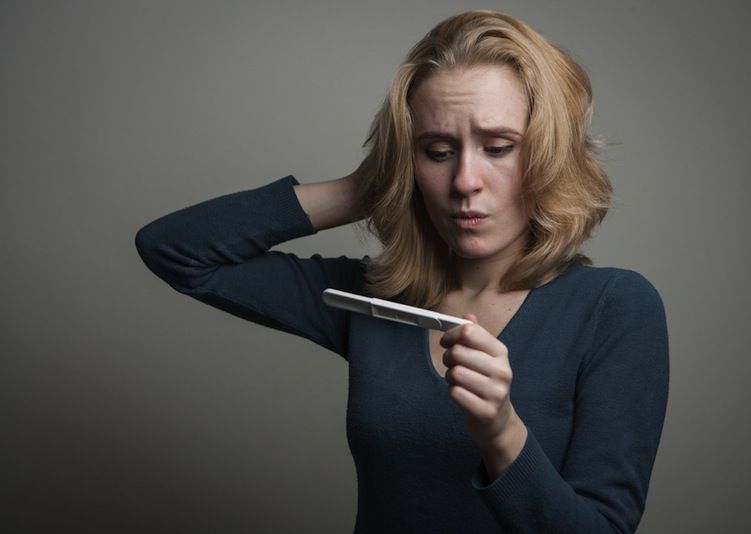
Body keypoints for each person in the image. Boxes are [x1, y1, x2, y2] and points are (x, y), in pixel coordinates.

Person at [135, 10, 668, 533]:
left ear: (549, 156)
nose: (464, 181)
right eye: (437, 151)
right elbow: (175, 250)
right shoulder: (377, 298)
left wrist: (502, 433)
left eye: (499, 148)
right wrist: (369, 186)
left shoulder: (613, 308)